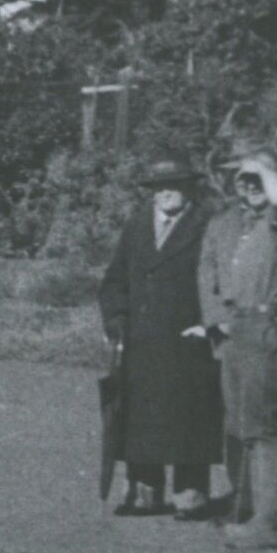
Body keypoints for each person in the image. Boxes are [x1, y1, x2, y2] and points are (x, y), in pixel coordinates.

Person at [198, 137, 277, 549]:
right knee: (240, 424)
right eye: (242, 180)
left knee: (266, 428)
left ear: (273, 181)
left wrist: (264, 168)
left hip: (269, 329)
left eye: (257, 179)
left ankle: (269, 524)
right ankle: (251, 512)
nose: (248, 186)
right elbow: (210, 273)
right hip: (240, 330)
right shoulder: (236, 225)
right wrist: (219, 321)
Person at [97, 155, 222, 519]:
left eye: (174, 186)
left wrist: (209, 323)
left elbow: (219, 281)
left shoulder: (206, 225)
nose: (165, 194)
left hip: (189, 339)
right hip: (141, 339)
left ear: (189, 189)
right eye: (158, 187)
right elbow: (114, 280)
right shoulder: (137, 226)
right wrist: (116, 321)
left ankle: (191, 495)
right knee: (142, 419)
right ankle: (143, 494)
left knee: (189, 418)